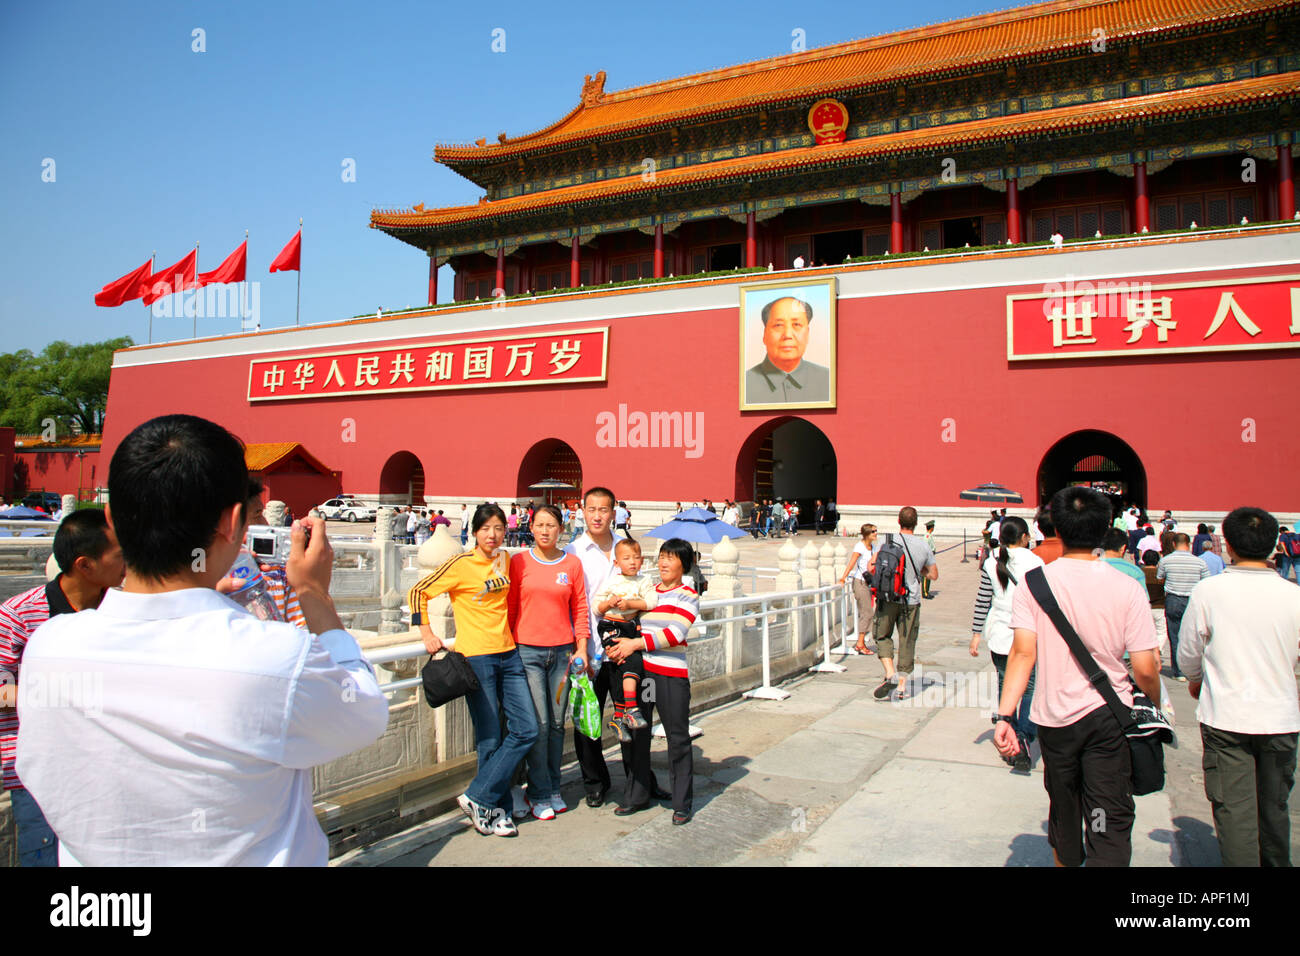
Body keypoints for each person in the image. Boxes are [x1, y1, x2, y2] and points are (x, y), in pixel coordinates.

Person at [16, 414, 389, 865]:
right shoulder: (274, 658)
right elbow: (364, 711)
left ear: (111, 520)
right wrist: (313, 594)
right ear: (234, 522)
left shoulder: (49, 648)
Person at [994, 486, 1162, 867]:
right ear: (1105, 529)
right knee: (1105, 812)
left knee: (1064, 805)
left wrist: (1005, 716)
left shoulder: (1035, 584)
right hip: (1110, 718)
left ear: (1056, 528)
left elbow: (1022, 653)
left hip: (1055, 719)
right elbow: (1146, 666)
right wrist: (1151, 702)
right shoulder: (1127, 586)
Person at [1, 509, 125, 866]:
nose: (127, 563)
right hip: (39, 773)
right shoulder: (19, 615)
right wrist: (64, 695)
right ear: (84, 565)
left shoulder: (121, 613)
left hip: (107, 767)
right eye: (119, 555)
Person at [1177, 506, 1300, 866]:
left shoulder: (1210, 592)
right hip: (1280, 717)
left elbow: (1188, 655)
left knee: (1234, 812)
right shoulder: (1293, 595)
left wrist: (1197, 681)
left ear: (1226, 544)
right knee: (1274, 807)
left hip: (1226, 717)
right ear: (1275, 544)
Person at [409, 503, 537, 837]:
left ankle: (477, 796)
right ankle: (497, 812)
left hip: (508, 655)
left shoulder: (506, 559)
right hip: (476, 658)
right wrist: (426, 632)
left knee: (527, 729)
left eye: (498, 528)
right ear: (474, 532)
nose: (493, 535)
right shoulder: (461, 564)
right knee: (490, 736)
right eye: (485, 529)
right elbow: (418, 591)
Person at [564, 487, 665, 807]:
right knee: (587, 721)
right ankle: (594, 782)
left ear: (614, 512)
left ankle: (640, 782)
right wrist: (576, 647)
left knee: (633, 716)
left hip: (625, 649)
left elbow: (644, 594)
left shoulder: (626, 548)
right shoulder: (573, 551)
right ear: (582, 511)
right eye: (591, 509)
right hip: (588, 649)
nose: (597, 515)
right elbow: (571, 601)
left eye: (603, 510)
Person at [606, 538, 700, 824]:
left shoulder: (688, 595)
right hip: (644, 675)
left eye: (670, 558)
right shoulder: (649, 592)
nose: (663, 563)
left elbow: (675, 633)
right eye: (661, 557)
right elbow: (627, 620)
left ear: (684, 564)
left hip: (670, 675)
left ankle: (682, 802)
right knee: (637, 734)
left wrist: (634, 644)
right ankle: (637, 795)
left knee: (677, 737)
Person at [506, 504, 589, 821]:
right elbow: (511, 608)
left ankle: (553, 787)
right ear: (532, 527)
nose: (544, 530)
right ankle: (537, 792)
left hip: (563, 655)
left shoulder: (572, 564)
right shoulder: (519, 562)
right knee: (539, 725)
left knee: (556, 724)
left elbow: (580, 608)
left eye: (551, 525)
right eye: (539, 524)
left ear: (561, 528)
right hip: (527, 653)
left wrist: (581, 648)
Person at [969, 516, 1044, 772]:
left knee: (1005, 683)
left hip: (999, 633)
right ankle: (1024, 736)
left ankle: (1006, 730)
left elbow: (982, 601)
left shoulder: (991, 562)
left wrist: (976, 633)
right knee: (1030, 687)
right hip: (1028, 633)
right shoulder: (1035, 562)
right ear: (1024, 537)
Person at [592, 538, 658, 741]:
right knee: (632, 662)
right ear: (616, 563)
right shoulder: (612, 582)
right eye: (626, 558)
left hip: (630, 629)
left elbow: (652, 602)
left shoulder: (644, 581)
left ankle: (619, 716)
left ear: (642, 560)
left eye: (636, 558)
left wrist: (630, 602)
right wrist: (608, 603)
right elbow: (596, 607)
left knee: (626, 667)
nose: (632, 562)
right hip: (611, 627)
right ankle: (630, 708)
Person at [870, 507, 938, 701]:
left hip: (888, 597)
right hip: (911, 600)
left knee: (882, 635)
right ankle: (901, 686)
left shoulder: (886, 540)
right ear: (916, 524)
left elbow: (871, 566)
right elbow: (933, 575)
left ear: (898, 522)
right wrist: (919, 570)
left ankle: (890, 672)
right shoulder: (923, 545)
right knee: (907, 640)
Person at [744, 296, 831, 405]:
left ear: (807, 333)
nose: (788, 335)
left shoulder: (828, 380)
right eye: (778, 325)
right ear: (764, 334)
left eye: (796, 324)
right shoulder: (745, 384)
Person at [1156, 532, 1209, 682]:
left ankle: (1178, 671)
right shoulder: (1199, 562)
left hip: (1173, 599)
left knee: (1174, 635)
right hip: (1192, 600)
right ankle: (1192, 670)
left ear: (1173, 544)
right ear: (1189, 544)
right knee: (1193, 636)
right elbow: (1205, 582)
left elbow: (1160, 579)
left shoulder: (1166, 560)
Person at [839, 523, 877, 655]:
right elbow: (852, 563)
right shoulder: (860, 546)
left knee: (867, 613)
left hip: (868, 582)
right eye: (873, 531)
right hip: (859, 582)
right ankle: (860, 643)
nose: (876, 533)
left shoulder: (873, 547)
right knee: (867, 613)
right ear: (867, 534)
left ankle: (861, 642)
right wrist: (843, 578)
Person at [922, 519, 936, 597]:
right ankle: (925, 592)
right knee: (925, 576)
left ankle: (927, 591)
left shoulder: (929, 536)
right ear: (931, 527)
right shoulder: (927, 536)